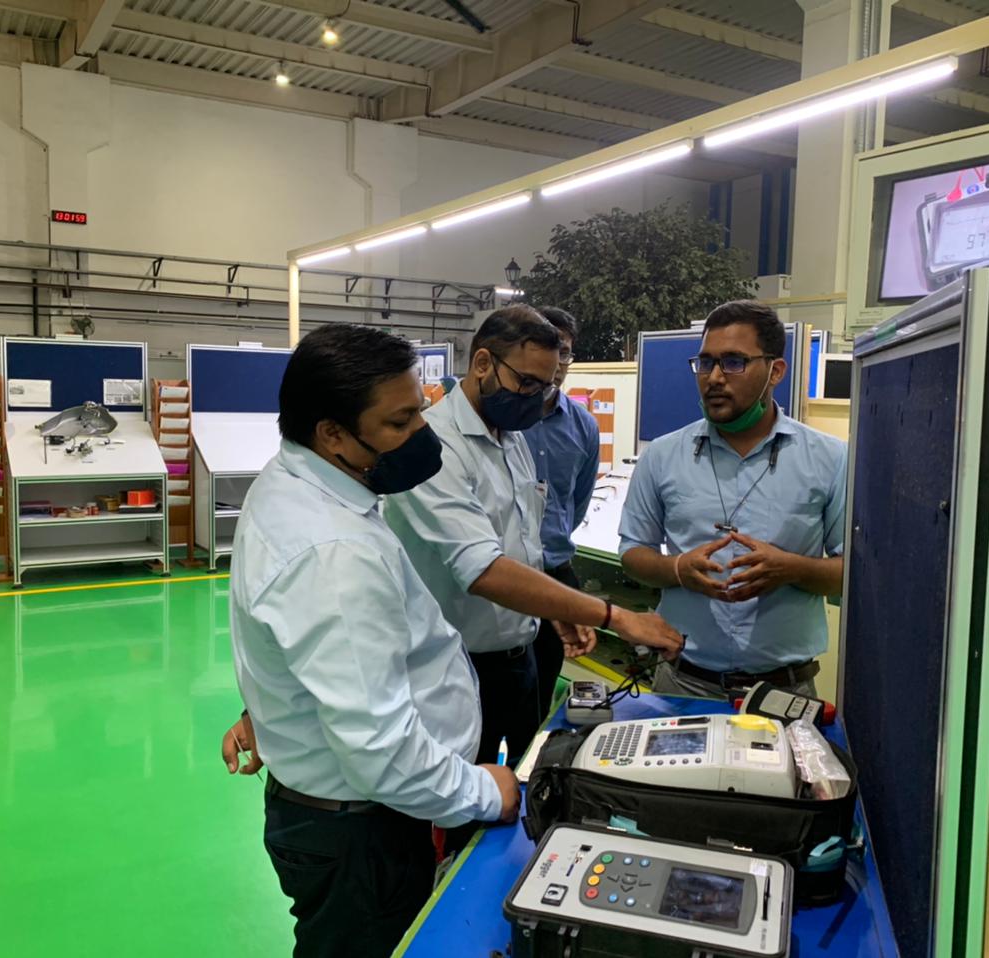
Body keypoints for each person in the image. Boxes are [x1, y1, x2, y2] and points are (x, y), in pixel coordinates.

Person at [225, 324, 520, 958]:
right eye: (400, 421)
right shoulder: (334, 551)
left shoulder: (298, 480)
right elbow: (380, 750)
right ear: (332, 433)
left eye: (421, 409)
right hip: (363, 833)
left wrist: (267, 709)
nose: (422, 432)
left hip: (338, 814)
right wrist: (482, 793)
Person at [383, 305, 684, 770]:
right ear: (483, 363)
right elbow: (483, 569)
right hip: (455, 668)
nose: (535, 398)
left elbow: (523, 543)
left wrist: (552, 610)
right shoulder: (436, 446)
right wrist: (614, 616)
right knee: (464, 791)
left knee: (525, 776)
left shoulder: (511, 438)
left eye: (545, 387)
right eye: (526, 382)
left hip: (518, 657)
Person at [619, 301, 847, 701]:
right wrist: (677, 568)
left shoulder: (830, 459)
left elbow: (852, 575)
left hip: (784, 691)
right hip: (682, 684)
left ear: (775, 371)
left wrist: (791, 569)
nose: (714, 378)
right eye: (705, 363)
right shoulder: (663, 456)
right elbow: (632, 552)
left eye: (734, 362)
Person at [523, 306, 601, 718]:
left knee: (541, 697)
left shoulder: (584, 426)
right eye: (545, 350)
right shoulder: (501, 419)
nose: (555, 364)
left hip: (556, 574)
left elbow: (578, 501)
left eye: (564, 352)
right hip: (501, 578)